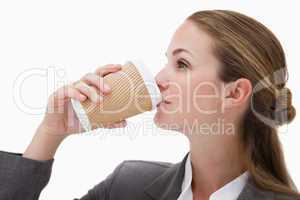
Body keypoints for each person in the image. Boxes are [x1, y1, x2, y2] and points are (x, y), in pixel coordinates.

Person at [0, 9, 299, 200]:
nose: (158, 78)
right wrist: (51, 133)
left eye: (182, 63)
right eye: (166, 61)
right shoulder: (125, 186)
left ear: (234, 93)